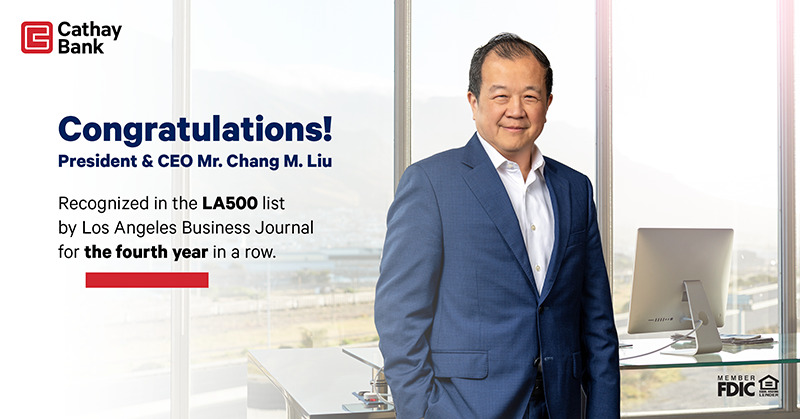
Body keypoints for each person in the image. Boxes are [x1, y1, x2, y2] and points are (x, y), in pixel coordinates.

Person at [374, 33, 620, 419]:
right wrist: (425, 412)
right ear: (474, 102)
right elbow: (399, 320)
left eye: (531, 96)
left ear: (548, 104)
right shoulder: (431, 183)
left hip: (563, 407)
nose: (516, 110)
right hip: (466, 410)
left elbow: (598, 326)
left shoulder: (575, 188)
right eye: (500, 95)